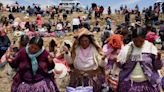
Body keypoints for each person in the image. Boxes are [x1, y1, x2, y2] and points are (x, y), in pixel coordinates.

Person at [117, 27, 162, 92]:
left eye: (141, 41)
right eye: (135, 41)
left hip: (148, 85)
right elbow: (121, 66)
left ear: (145, 39)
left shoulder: (150, 48)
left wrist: (158, 58)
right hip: (129, 86)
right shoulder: (126, 50)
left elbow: (158, 67)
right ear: (132, 39)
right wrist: (118, 61)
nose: (138, 43)